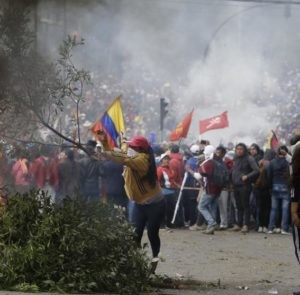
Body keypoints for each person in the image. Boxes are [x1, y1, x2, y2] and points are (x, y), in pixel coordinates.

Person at [101, 135, 165, 273]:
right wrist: (105, 144)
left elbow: (123, 158)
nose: (128, 148)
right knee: (134, 235)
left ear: (139, 149)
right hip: (139, 203)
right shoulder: (135, 156)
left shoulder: (142, 160)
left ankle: (154, 262)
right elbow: (121, 153)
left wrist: (105, 153)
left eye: (131, 146)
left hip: (155, 204)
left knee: (153, 234)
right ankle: (135, 264)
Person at [232, 143, 259, 233]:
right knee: (238, 206)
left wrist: (247, 176)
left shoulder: (249, 158)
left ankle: (246, 225)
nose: (239, 151)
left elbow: (256, 170)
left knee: (245, 206)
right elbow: (234, 170)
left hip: (245, 185)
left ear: (244, 150)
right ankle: (239, 224)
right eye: (237, 149)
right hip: (236, 185)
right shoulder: (235, 158)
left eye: (241, 149)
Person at [268, 146, 291, 234]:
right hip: (285, 187)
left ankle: (270, 228)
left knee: (273, 209)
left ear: (278, 153)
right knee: (285, 209)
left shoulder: (272, 162)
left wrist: (271, 186)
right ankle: (284, 228)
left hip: (274, 187)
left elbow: (269, 175)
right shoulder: (287, 162)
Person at [157, 153, 178, 228]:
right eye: (165, 159)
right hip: (164, 192)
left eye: (168, 159)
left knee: (171, 209)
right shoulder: (159, 169)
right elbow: (157, 181)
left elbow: (172, 180)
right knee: (164, 209)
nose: (167, 160)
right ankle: (162, 224)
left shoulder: (170, 169)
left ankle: (169, 223)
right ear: (161, 160)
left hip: (172, 191)